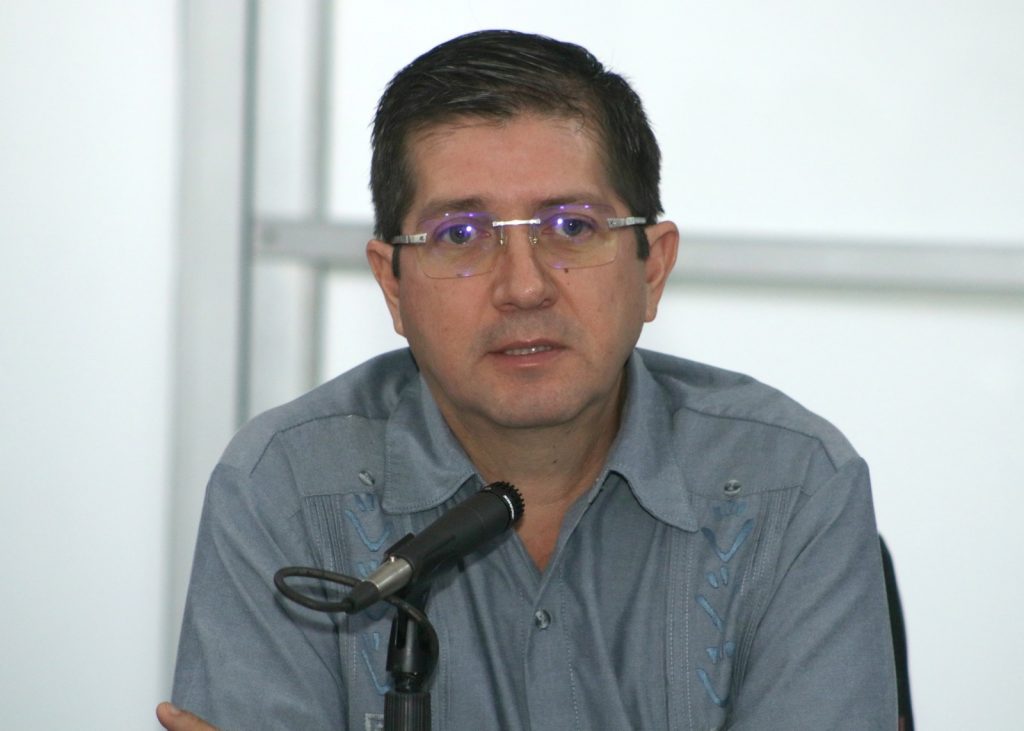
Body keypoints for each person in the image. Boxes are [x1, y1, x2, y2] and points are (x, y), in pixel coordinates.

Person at [158, 29, 897, 730]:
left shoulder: (789, 486)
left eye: (572, 226)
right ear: (393, 284)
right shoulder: (286, 489)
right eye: (459, 235)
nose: (524, 287)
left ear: (653, 269)